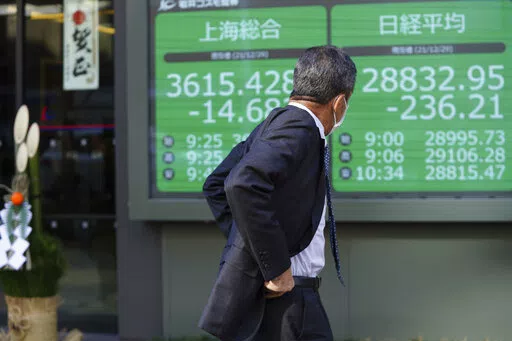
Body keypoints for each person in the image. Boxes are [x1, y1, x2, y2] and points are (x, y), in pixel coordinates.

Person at [199, 45, 357, 341]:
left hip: (287, 295)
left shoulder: (275, 122)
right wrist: (274, 265)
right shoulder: (300, 126)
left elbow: (217, 184)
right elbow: (241, 184)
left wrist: (253, 248)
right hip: (289, 295)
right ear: (338, 103)